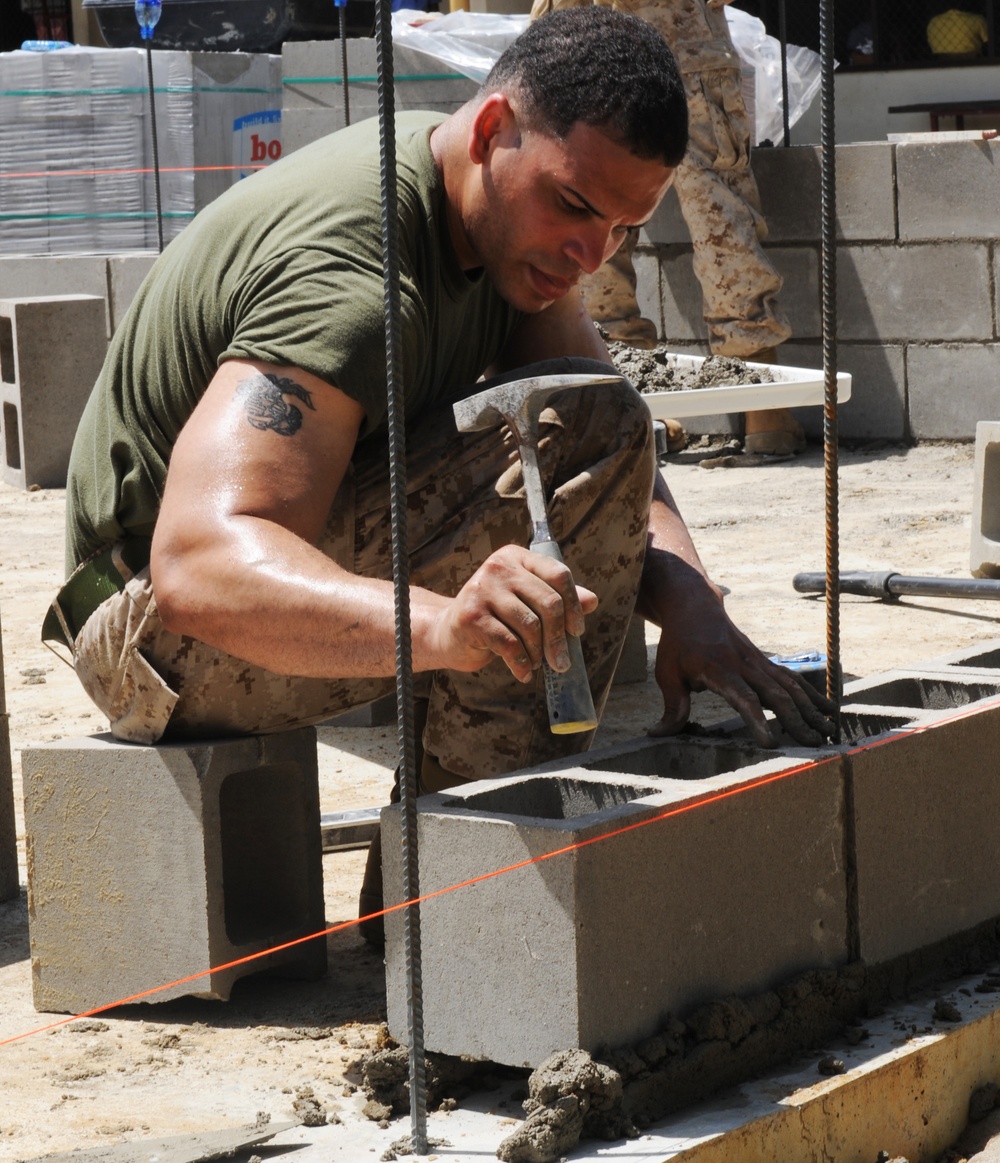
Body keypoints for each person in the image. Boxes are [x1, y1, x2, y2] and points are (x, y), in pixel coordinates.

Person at [47, 8, 831, 917]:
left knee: (598, 416)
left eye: (623, 228)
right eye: (575, 205)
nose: (591, 253)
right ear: (494, 129)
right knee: (509, 592)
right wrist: (443, 627)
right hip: (152, 643)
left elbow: (601, 432)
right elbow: (200, 568)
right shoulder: (352, 275)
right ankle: (457, 917)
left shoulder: (508, 234)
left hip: (237, 595)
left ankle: (441, 897)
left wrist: (690, 598)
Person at [530, 0, 803, 456]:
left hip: (583, 34)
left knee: (593, 208)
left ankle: (627, 409)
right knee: (718, 212)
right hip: (679, 33)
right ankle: (765, 411)